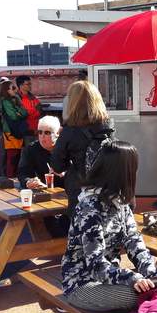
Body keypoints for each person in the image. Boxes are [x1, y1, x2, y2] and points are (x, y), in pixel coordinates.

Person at [61, 141, 157, 311]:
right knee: (138, 295)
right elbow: (96, 265)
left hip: (109, 278)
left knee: (154, 287)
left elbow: (134, 242)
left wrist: (151, 273)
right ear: (123, 172)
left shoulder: (120, 202)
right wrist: (133, 278)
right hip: (81, 284)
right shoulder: (90, 209)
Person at [50, 80, 113, 215]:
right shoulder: (108, 127)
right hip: (107, 189)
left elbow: (57, 165)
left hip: (80, 193)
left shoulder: (69, 131)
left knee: (81, 231)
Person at [17, 115, 68, 238]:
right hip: (45, 196)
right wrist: (29, 182)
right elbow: (23, 172)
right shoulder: (31, 149)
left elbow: (80, 171)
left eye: (47, 132)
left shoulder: (67, 149)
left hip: (67, 193)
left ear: (57, 133)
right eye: (39, 132)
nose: (42, 136)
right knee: (52, 222)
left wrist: (66, 174)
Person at [0, 80, 28, 177]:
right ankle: (10, 179)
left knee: (18, 156)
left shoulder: (16, 98)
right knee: (12, 157)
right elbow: (13, 116)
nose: (15, 89)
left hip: (18, 130)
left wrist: (18, 112)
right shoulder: (5, 101)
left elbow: (25, 113)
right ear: (7, 90)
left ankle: (14, 178)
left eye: (15, 87)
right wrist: (19, 112)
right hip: (10, 131)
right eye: (13, 88)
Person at [16, 75, 43, 145]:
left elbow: (39, 110)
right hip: (25, 132)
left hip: (36, 130)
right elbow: (21, 114)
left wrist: (28, 112)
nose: (30, 86)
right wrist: (33, 111)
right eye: (28, 84)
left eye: (30, 84)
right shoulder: (16, 98)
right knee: (26, 152)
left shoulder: (32, 97)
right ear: (21, 86)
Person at [0, 76, 11, 176]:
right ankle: (3, 175)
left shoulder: (14, 96)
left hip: (14, 129)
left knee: (14, 152)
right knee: (3, 153)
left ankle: (14, 174)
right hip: (3, 129)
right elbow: (1, 111)